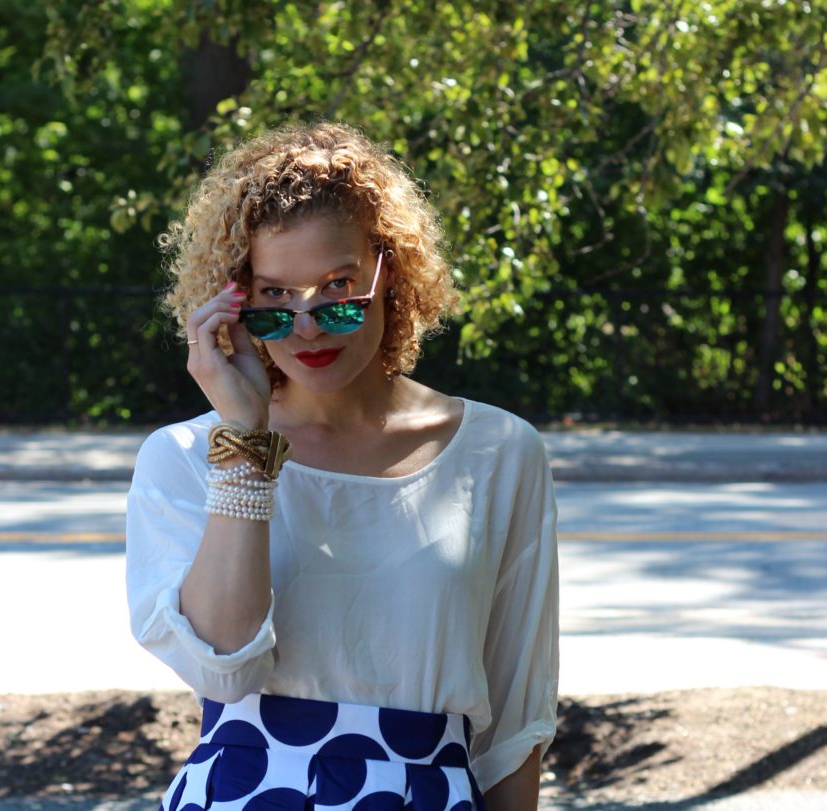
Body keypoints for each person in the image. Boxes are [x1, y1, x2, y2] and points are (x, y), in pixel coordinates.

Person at [126, 122, 559, 811]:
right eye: (274, 297)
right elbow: (223, 666)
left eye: (338, 287)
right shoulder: (183, 456)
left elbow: (514, 722)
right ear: (236, 298)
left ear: (393, 274)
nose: (307, 326)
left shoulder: (499, 452)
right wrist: (245, 439)